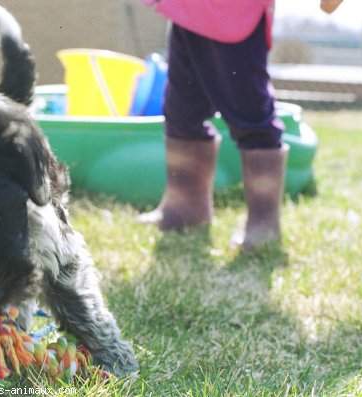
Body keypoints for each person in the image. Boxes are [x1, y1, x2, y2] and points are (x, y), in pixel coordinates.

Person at [137, 0, 343, 248]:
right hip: (188, 11)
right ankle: (185, 207)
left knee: (250, 113)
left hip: (233, 15)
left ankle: (264, 223)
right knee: (181, 110)